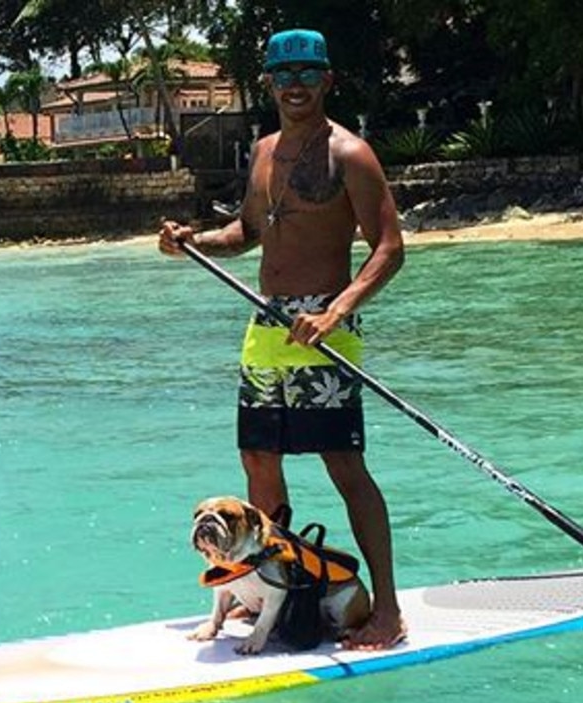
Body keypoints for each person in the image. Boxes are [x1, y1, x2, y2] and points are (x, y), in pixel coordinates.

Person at [159, 28, 406, 650]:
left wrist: (337, 310)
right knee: (258, 462)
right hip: (267, 322)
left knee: (344, 466)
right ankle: (262, 584)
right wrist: (193, 239)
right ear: (268, 83)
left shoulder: (350, 153)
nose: (294, 86)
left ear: (327, 80)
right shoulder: (265, 150)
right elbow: (246, 232)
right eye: (283, 76)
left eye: (306, 74)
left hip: (326, 327)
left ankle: (387, 612)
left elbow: (389, 248)